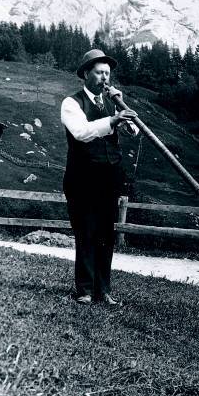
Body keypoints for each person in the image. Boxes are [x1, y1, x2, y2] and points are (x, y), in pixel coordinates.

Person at [61, 49, 138, 305]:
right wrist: (114, 119)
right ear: (85, 74)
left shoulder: (111, 102)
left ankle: (103, 290)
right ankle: (83, 290)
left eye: (107, 73)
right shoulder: (71, 103)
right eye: (99, 72)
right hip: (82, 178)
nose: (104, 77)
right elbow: (82, 132)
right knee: (86, 231)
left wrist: (120, 107)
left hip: (109, 177)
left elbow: (134, 131)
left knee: (105, 232)